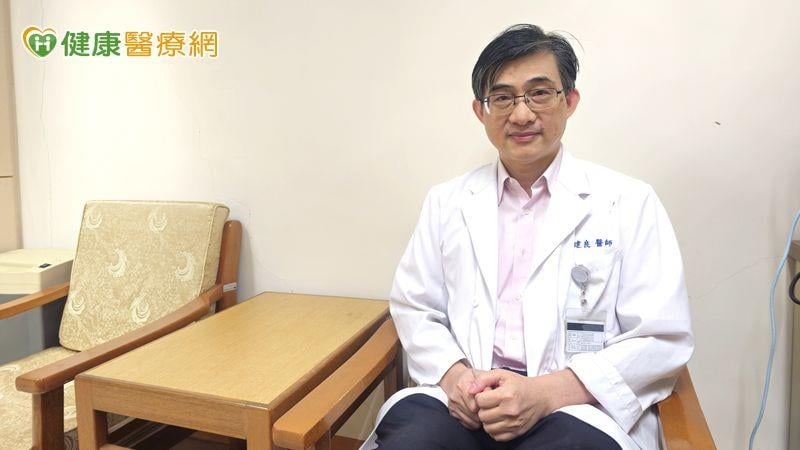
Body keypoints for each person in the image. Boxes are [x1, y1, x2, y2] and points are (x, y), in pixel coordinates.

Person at [363, 24, 693, 450]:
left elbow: (661, 337)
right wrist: (456, 376)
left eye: (539, 93)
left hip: (575, 407)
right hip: (463, 402)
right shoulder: (446, 202)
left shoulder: (628, 202)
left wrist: (544, 393)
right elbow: (414, 306)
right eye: (502, 98)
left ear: (569, 101)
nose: (521, 115)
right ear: (480, 111)